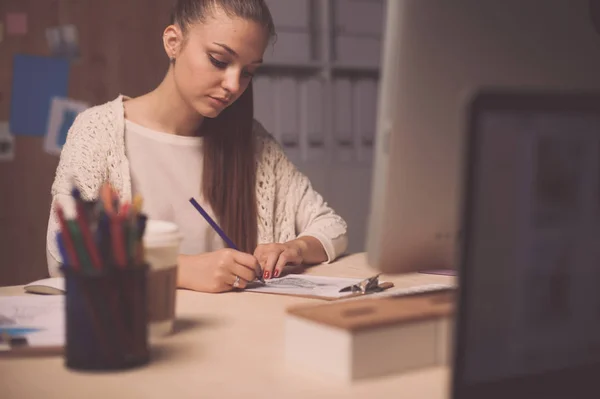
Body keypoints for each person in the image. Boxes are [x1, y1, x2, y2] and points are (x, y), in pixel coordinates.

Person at [46, 0, 348, 293]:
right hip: (140, 332)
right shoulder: (98, 131)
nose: (233, 85)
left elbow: (331, 226)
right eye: (219, 61)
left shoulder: (253, 143)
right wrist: (181, 269)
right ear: (173, 42)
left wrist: (294, 247)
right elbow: (64, 251)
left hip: (243, 333)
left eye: (247, 72)